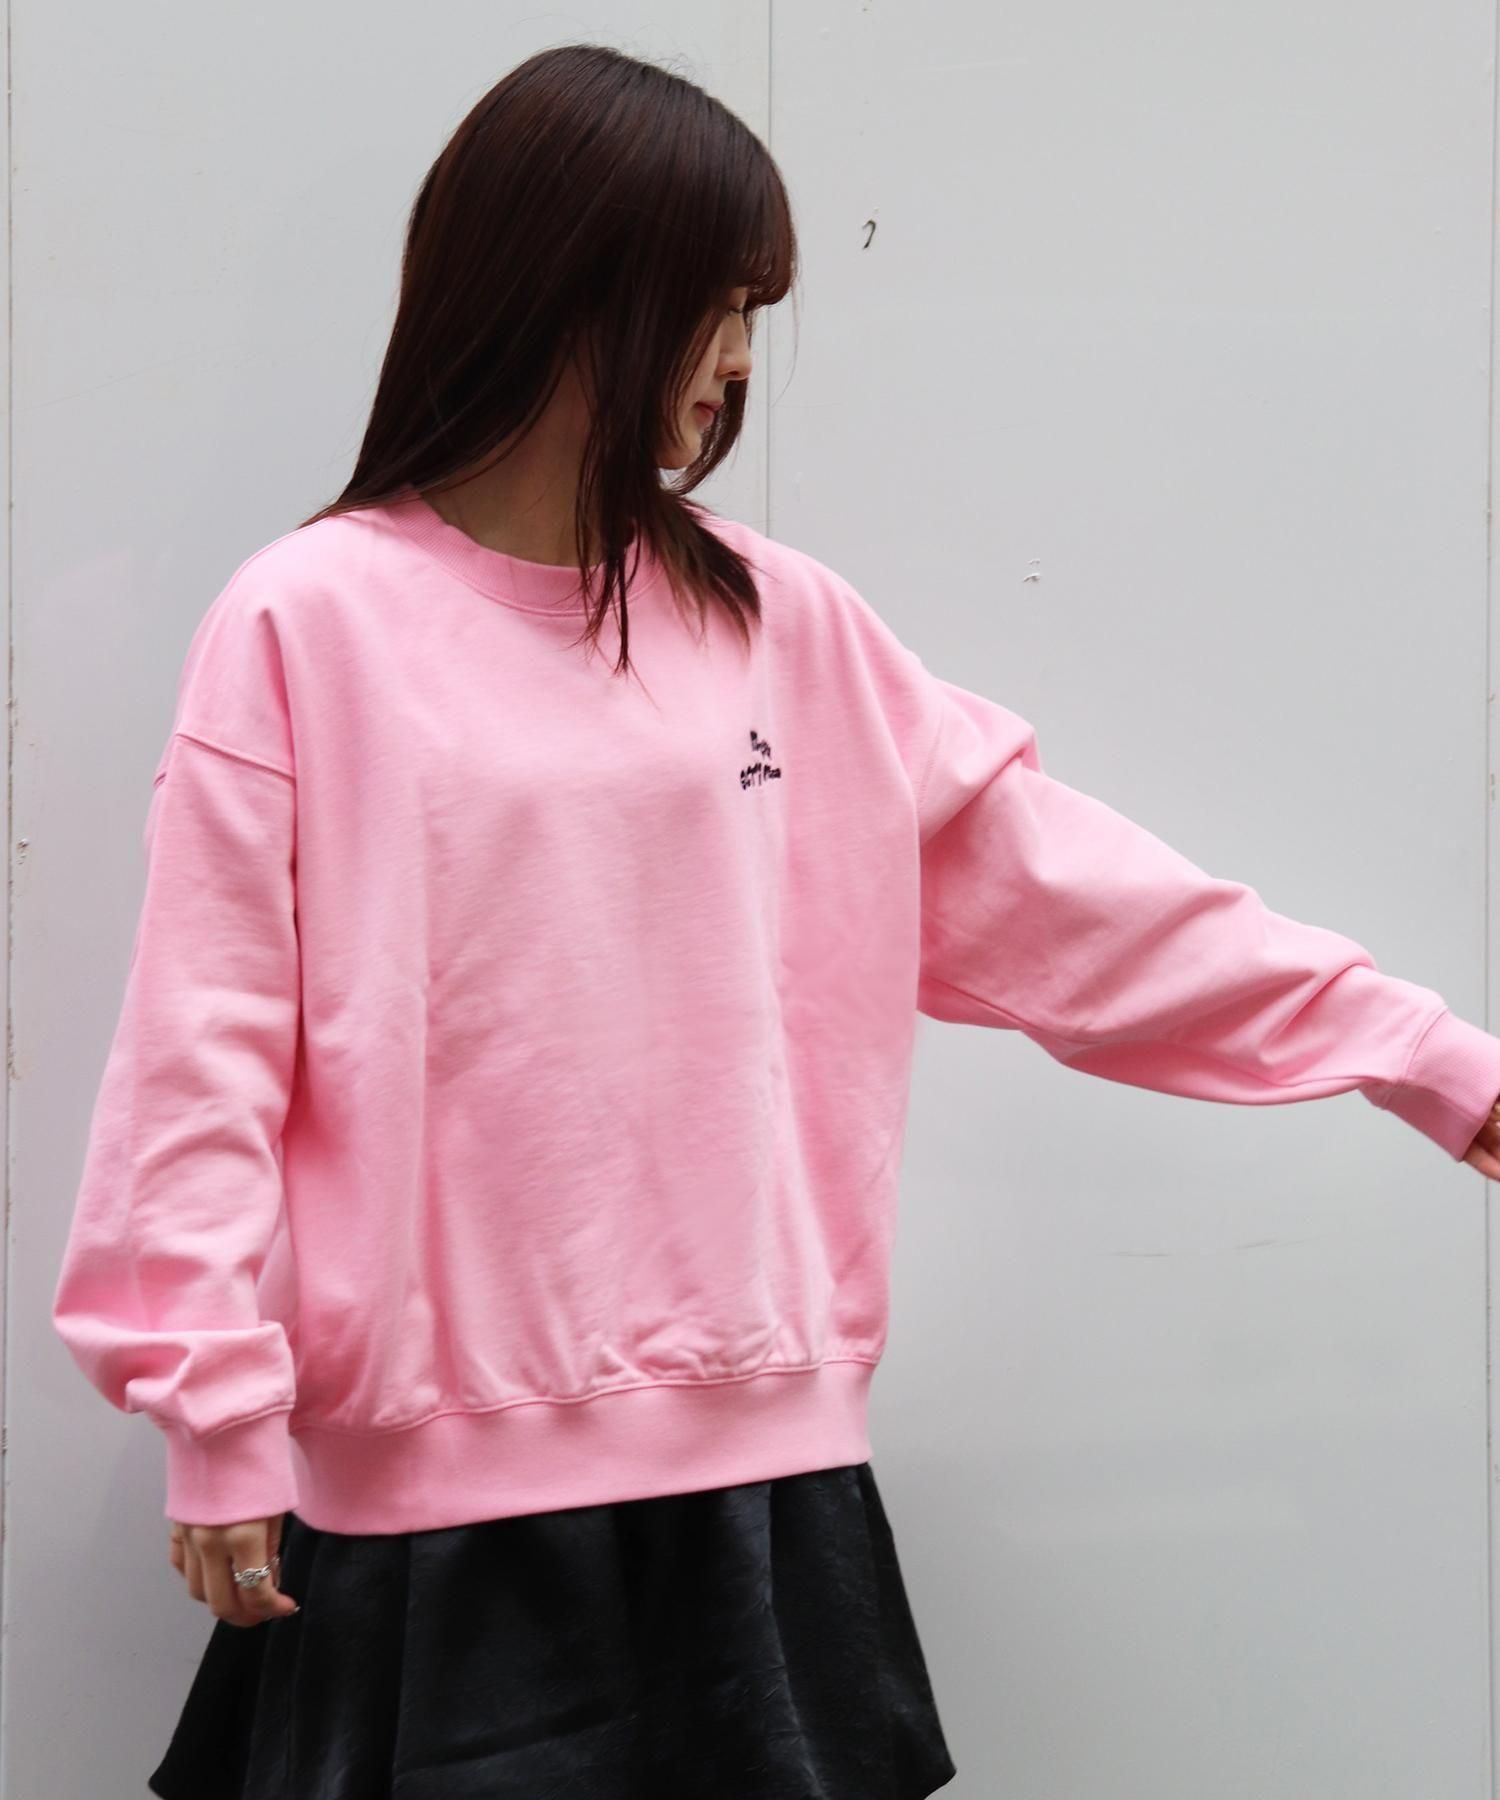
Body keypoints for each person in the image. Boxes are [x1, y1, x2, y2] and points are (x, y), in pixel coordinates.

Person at [49, 40, 1500, 1800]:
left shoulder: (780, 628)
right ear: (576, 292)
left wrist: (1425, 1054)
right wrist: (214, 1410)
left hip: (755, 1487)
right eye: (719, 305)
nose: (741, 358)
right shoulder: (309, 623)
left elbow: (1078, 900)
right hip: (423, 1506)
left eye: (753, 311)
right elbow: (201, 1048)